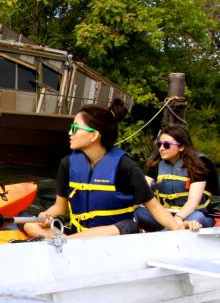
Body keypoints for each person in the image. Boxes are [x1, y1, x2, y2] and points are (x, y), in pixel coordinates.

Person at [23, 98, 198, 240]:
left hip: (116, 234)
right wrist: (46, 215)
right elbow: (60, 208)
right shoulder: (67, 164)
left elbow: (153, 207)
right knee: (30, 225)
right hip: (78, 233)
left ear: (94, 135)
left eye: (75, 128)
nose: (70, 132)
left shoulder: (124, 165)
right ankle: (66, 241)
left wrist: (177, 228)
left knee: (122, 227)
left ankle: (63, 243)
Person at [134, 124, 216, 231]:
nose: (161, 149)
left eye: (167, 145)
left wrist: (178, 218)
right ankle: (172, 230)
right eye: (159, 144)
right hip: (164, 215)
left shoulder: (198, 163)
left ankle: (163, 237)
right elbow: (141, 189)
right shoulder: (156, 164)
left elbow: (193, 200)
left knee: (196, 218)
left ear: (181, 147)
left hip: (191, 214)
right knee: (137, 213)